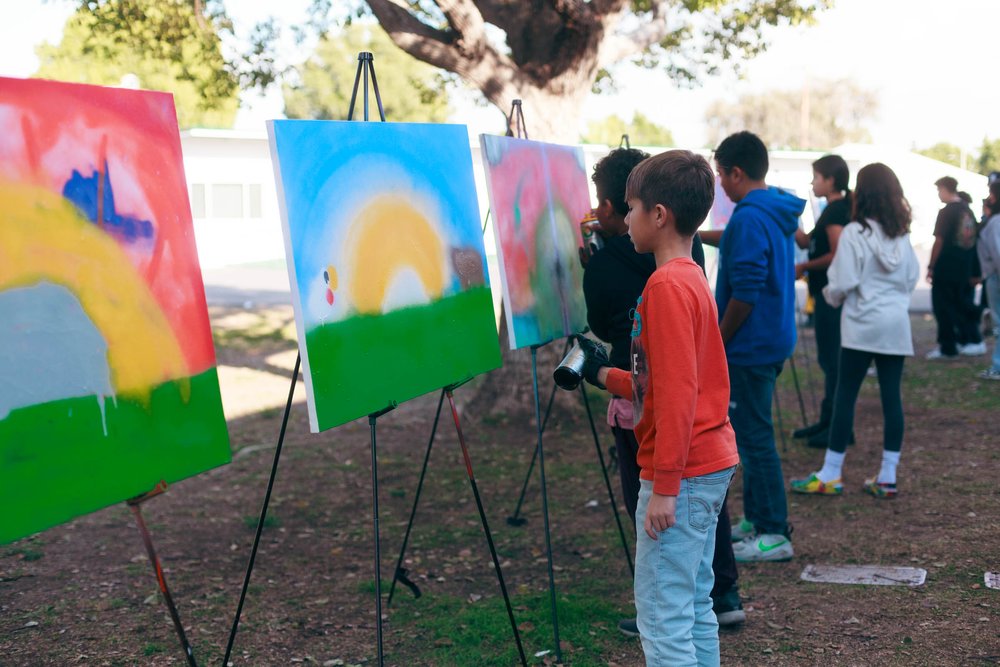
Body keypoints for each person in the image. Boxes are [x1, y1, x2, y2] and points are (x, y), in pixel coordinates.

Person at [579, 149, 739, 666]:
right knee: (692, 604)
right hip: (706, 462)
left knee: (661, 616)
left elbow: (675, 397)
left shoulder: (666, 286)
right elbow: (665, 380)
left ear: (659, 215)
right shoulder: (690, 276)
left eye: (630, 208)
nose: (623, 219)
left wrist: (665, 487)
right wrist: (602, 373)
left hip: (683, 473)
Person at [699, 131, 803, 563]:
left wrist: (717, 343)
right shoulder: (773, 207)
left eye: (721, 174)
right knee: (752, 432)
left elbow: (745, 290)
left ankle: (775, 532)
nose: (720, 184)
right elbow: (742, 244)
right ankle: (758, 519)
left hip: (749, 346)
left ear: (736, 173)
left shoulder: (748, 217)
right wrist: (696, 234)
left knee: (756, 438)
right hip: (773, 340)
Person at [790, 162, 919, 498]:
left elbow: (843, 282)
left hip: (862, 324)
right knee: (892, 398)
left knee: (845, 394)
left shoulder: (854, 233)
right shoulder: (902, 236)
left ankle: (831, 472)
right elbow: (909, 279)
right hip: (895, 325)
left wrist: (830, 297)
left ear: (862, 194)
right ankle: (888, 475)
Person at [792, 155, 851, 449]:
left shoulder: (838, 210)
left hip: (832, 298)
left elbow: (836, 253)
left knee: (833, 362)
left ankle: (837, 426)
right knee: (828, 360)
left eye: (816, 177)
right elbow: (806, 242)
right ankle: (828, 421)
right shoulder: (830, 210)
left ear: (830, 180)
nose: (813, 183)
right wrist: (786, 216)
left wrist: (803, 268)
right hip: (825, 297)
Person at [926, 176, 985, 359]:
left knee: (943, 307)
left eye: (939, 190)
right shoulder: (967, 209)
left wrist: (931, 266)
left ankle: (949, 346)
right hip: (964, 268)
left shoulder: (946, 212)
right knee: (961, 304)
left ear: (945, 189)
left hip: (946, 267)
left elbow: (939, 240)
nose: (938, 194)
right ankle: (967, 339)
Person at [977, 189, 1000, 380]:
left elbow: (998, 252)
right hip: (993, 274)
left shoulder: (995, 222)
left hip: (995, 276)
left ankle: (998, 365)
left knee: (998, 321)